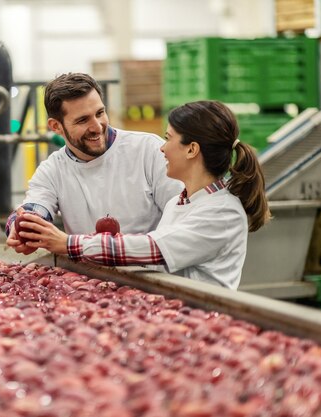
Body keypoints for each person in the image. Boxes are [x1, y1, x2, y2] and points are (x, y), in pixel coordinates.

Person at [16, 100, 271, 290]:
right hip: (174, 314)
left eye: (168, 138)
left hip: (203, 320)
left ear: (192, 149)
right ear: (56, 126)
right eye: (82, 120)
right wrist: (26, 225)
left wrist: (68, 244)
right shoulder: (179, 202)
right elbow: (157, 256)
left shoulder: (222, 212)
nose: (162, 147)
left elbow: (155, 249)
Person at [6, 72, 183, 255]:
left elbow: (181, 217)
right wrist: (23, 228)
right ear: (56, 126)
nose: (97, 127)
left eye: (100, 113)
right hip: (91, 280)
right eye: (82, 120)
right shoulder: (52, 170)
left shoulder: (149, 150)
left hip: (157, 275)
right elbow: (35, 206)